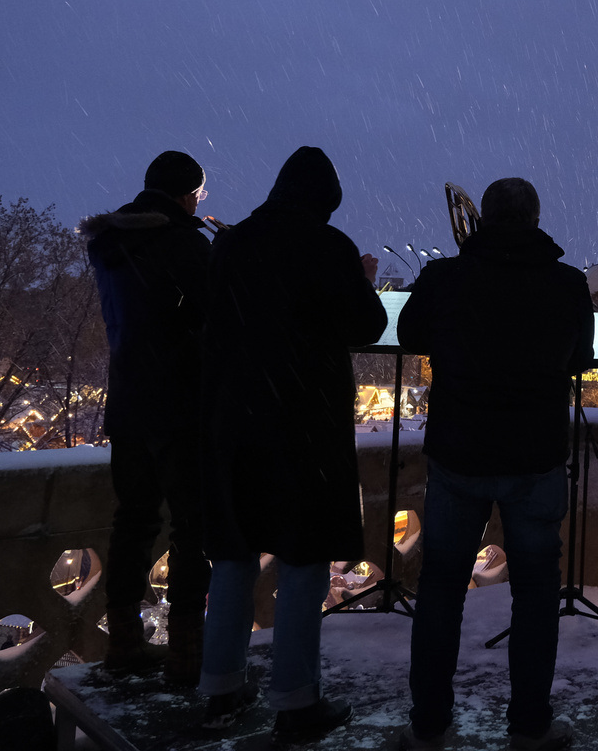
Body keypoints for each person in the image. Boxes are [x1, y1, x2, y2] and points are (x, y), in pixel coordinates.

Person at [395, 178, 592, 751]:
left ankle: (429, 725)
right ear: (535, 219)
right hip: (536, 457)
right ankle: (530, 725)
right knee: (535, 594)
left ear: (483, 218)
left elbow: (410, 334)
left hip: (459, 453)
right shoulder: (566, 284)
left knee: (441, 589)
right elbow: (579, 359)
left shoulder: (445, 277)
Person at [197, 147, 387, 741]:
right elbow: (366, 327)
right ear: (326, 201)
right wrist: (361, 282)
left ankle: (220, 688)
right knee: (304, 560)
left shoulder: (229, 244)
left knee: (232, 556)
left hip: (234, 426)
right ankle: (296, 700)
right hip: (303, 426)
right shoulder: (326, 247)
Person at [79, 150, 213, 685]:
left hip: (130, 400)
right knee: (192, 528)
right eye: (199, 195)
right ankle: (186, 651)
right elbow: (207, 314)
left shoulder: (110, 243)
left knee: (132, 523)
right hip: (180, 403)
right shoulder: (183, 243)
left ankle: (124, 643)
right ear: (187, 194)